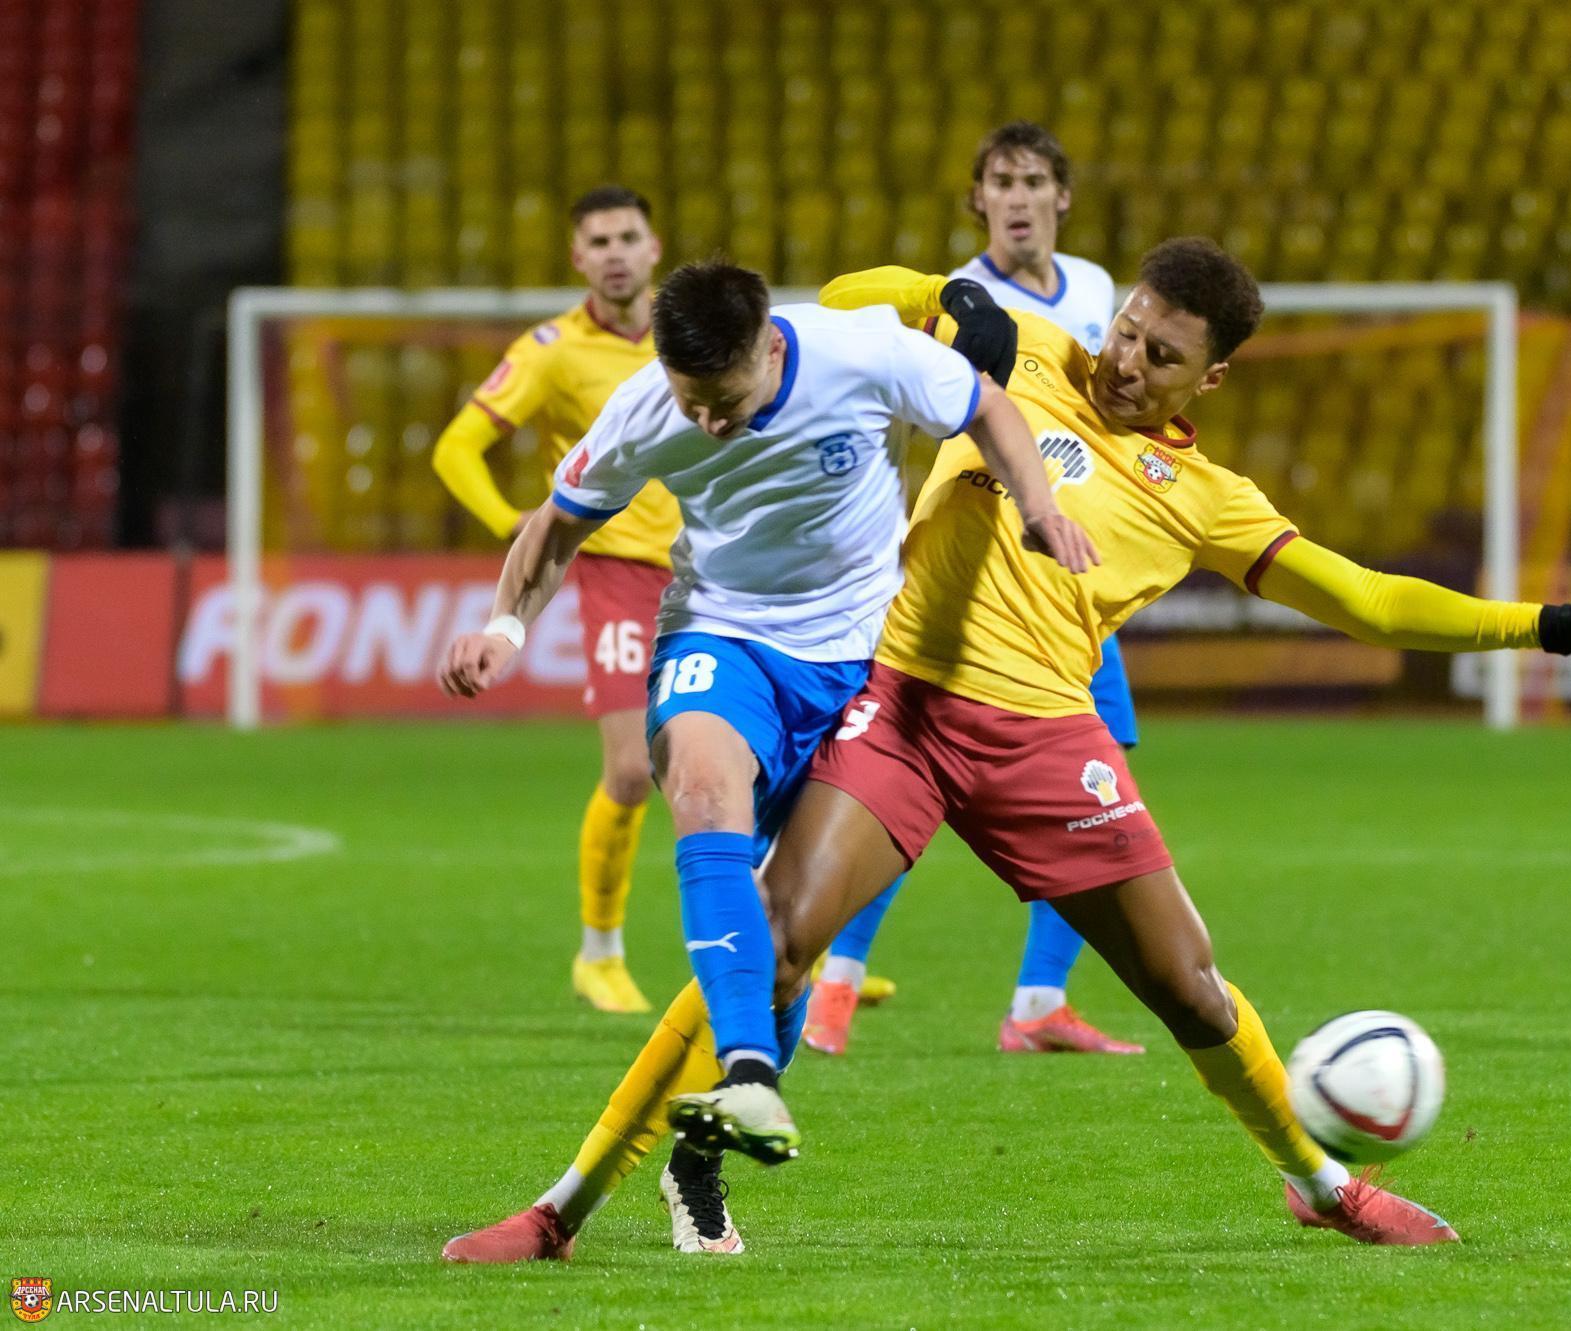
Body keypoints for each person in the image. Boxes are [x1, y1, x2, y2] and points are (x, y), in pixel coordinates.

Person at [437, 239, 1571, 1261]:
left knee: (1188, 985)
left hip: (1045, 739)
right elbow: (852, 303)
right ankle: (563, 1208)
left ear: (1208, 379)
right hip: (902, 708)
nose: (1126, 360)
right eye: (1128, 329)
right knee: (771, 938)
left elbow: (1363, 599)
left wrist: (1542, 625)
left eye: (1162, 355)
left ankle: (1322, 1182)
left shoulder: (1204, 499)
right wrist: (956, 300)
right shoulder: (1027, 352)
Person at [436, 259, 1095, 1256]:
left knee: (788, 941)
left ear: (770, 347)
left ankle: (692, 1161)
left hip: (867, 667)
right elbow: (555, 526)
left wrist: (1038, 506)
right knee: (704, 790)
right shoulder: (643, 409)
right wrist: (503, 628)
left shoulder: (859, 353)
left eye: (726, 400)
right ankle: (746, 1068)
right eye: (690, 401)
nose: (706, 423)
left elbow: (989, 407)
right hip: (722, 636)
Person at [805, 121, 1142, 1058]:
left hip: (1068, 575)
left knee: (1102, 779)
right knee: (910, 780)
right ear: (978, 198)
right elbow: (846, 319)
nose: (1018, 197)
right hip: (973, 571)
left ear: (1062, 196)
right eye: (1001, 181)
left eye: (1034, 180)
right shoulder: (960, 294)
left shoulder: (1097, 291)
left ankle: (1039, 1002)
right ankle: (835, 981)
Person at [430, 185, 677, 1014]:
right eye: (597, 241)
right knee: (633, 768)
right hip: (617, 570)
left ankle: (804, 946)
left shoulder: (689, 334)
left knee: (760, 759)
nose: (614, 253)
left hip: (712, 569)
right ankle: (599, 953)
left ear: (654, 248)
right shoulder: (551, 351)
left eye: (627, 237)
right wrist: (515, 525)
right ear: (577, 258)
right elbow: (457, 447)